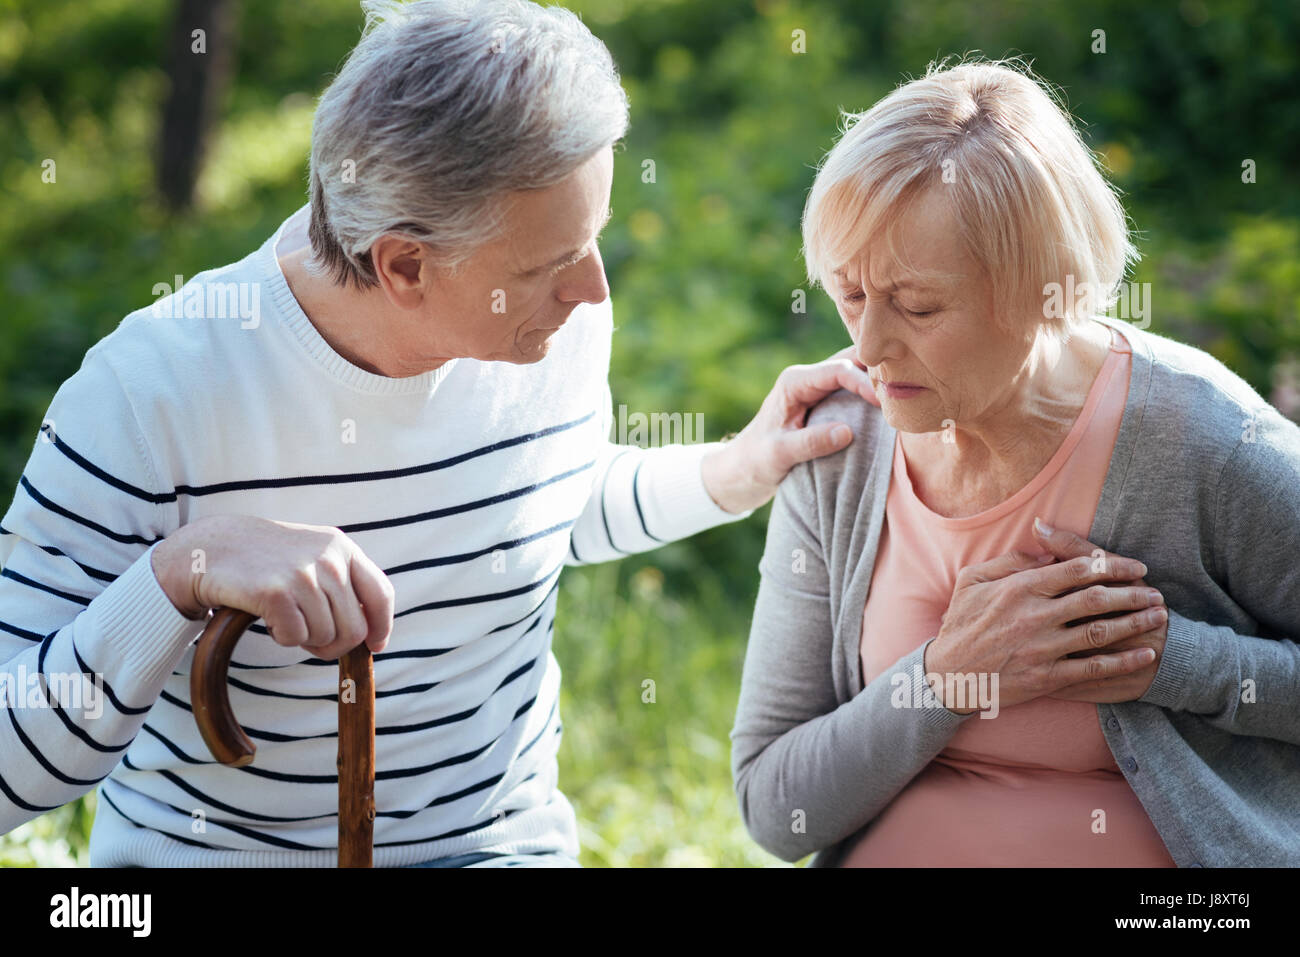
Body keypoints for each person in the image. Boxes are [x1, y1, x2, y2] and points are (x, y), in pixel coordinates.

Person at [0, 0, 874, 867]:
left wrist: (731, 470)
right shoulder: (149, 393)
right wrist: (179, 574)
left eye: (594, 240)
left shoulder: (549, 328)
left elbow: (535, 505)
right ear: (405, 265)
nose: (595, 293)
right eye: (550, 266)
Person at [731, 57, 1300, 868]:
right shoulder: (839, 441)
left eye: (917, 305)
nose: (867, 347)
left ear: (1046, 291)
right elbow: (775, 810)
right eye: (849, 293)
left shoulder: (1201, 439)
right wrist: (947, 676)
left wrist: (1170, 662)